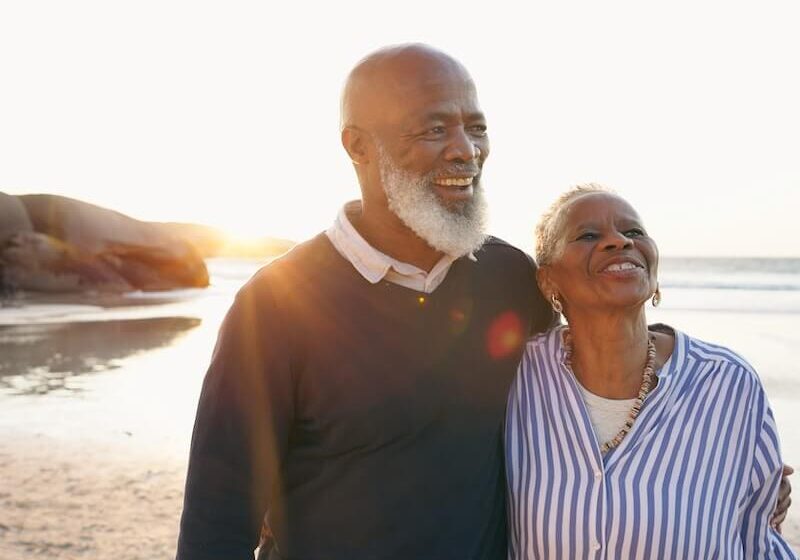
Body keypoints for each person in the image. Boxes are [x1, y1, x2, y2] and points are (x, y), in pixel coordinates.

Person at [176, 43, 553, 560]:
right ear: (358, 147)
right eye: (434, 129)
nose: (466, 149)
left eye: (476, 127)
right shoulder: (276, 306)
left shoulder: (509, 278)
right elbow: (216, 518)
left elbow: (585, 392)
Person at [505, 184, 797, 559]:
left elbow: (758, 537)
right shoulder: (516, 376)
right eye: (588, 235)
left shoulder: (729, 385)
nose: (618, 242)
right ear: (548, 282)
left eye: (634, 232)